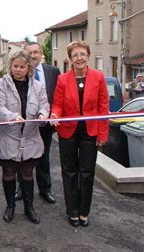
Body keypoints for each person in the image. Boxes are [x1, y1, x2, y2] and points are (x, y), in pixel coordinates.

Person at [50, 41, 109, 228]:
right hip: (68, 130)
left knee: (87, 173)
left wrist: (102, 135)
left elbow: (103, 108)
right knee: (69, 172)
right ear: (70, 58)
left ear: (88, 56)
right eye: (75, 55)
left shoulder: (98, 77)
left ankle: (84, 212)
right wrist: (54, 114)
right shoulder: (62, 79)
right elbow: (57, 104)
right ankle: (72, 211)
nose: (79, 58)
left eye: (82, 54)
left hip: (90, 132)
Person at [0, 51, 49, 224]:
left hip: (30, 137)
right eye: (15, 66)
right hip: (8, 137)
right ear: (10, 66)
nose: (18, 70)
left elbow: (44, 105)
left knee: (27, 171)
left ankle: (29, 208)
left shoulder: (38, 86)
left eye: (22, 67)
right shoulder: (1, 83)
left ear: (28, 67)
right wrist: (12, 116)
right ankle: (10, 206)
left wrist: (43, 114)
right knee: (9, 171)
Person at [15, 42, 60, 204]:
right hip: (24, 124)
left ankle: (45, 189)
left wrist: (51, 115)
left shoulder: (53, 71)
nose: (33, 56)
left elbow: (57, 96)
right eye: (30, 53)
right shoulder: (22, 72)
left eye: (36, 52)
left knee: (43, 157)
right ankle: (21, 188)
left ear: (41, 54)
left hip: (44, 124)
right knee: (22, 157)